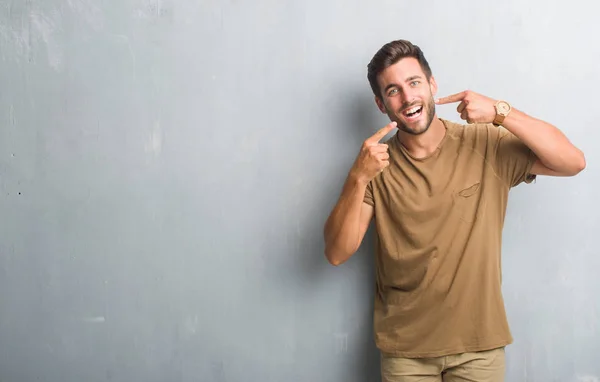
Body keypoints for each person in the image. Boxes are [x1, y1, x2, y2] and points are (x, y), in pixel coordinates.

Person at [323, 39, 586, 382]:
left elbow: (573, 162)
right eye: (393, 90)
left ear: (432, 85)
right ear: (381, 103)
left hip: (479, 347)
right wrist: (357, 177)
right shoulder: (375, 167)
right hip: (406, 353)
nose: (407, 97)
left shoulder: (484, 143)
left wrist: (500, 112)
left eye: (414, 83)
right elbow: (337, 253)